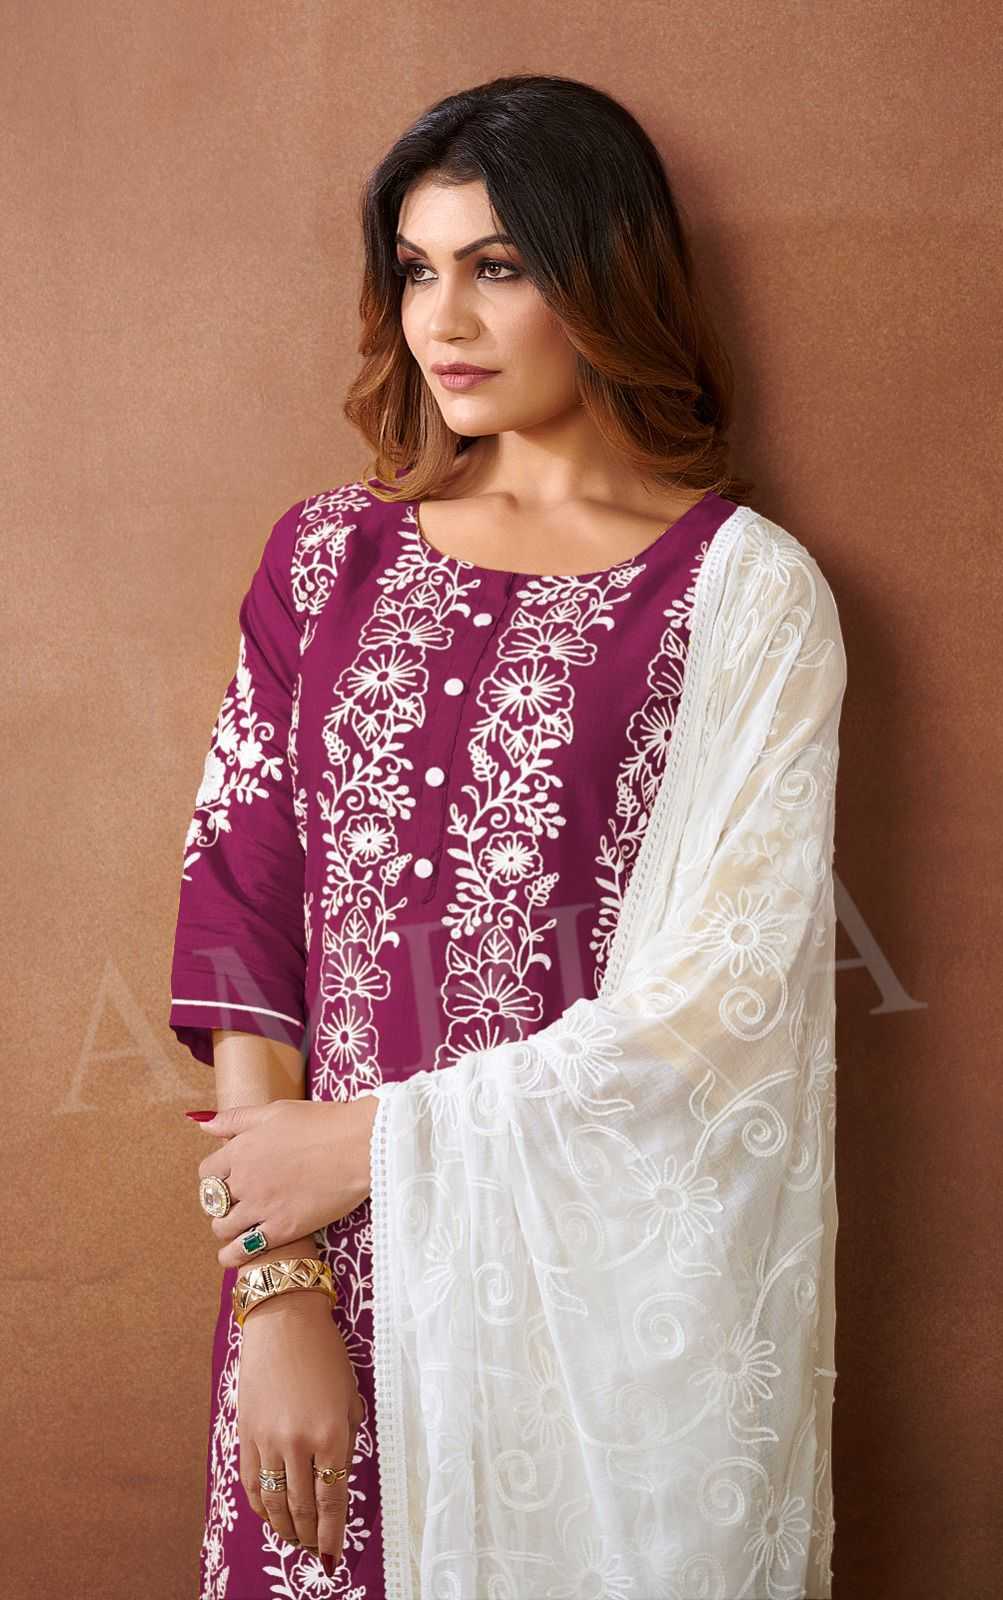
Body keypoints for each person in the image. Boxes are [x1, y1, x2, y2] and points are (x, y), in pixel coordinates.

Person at [169, 73, 846, 1600]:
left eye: (497, 266)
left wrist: (372, 1143)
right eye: (416, 271)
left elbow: (720, 1005)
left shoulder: (745, 599)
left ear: (602, 275)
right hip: (324, 1272)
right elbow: (242, 898)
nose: (444, 321)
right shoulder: (325, 561)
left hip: (593, 1310)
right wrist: (277, 1290)